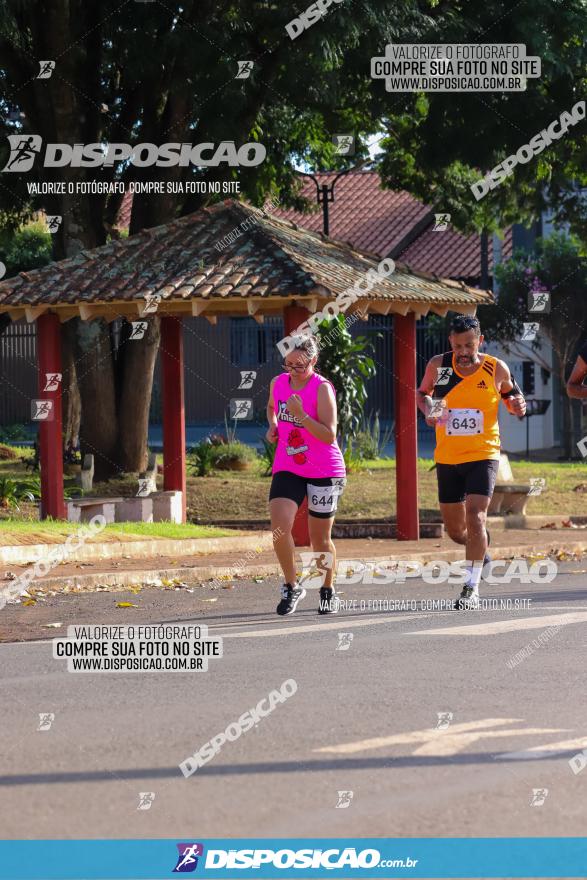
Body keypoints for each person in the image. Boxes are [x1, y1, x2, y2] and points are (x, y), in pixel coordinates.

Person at [417, 314, 526, 609]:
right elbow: (423, 394)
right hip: (448, 457)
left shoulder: (494, 368)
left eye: (470, 344)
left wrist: (517, 405)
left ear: (480, 340)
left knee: (476, 515)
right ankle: (481, 543)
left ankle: (471, 586)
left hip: (484, 453)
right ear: (451, 341)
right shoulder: (439, 366)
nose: (464, 351)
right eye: (459, 345)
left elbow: (513, 396)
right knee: (456, 530)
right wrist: (429, 410)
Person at [267, 336, 346, 616]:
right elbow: (272, 407)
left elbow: (329, 434)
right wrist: (274, 425)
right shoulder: (278, 383)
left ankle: (328, 589)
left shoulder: (322, 389)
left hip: (324, 469)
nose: (293, 371)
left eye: (299, 366)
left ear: (313, 361)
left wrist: (300, 415)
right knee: (279, 529)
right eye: (288, 365)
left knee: (319, 539)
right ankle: (291, 585)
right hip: (289, 464)